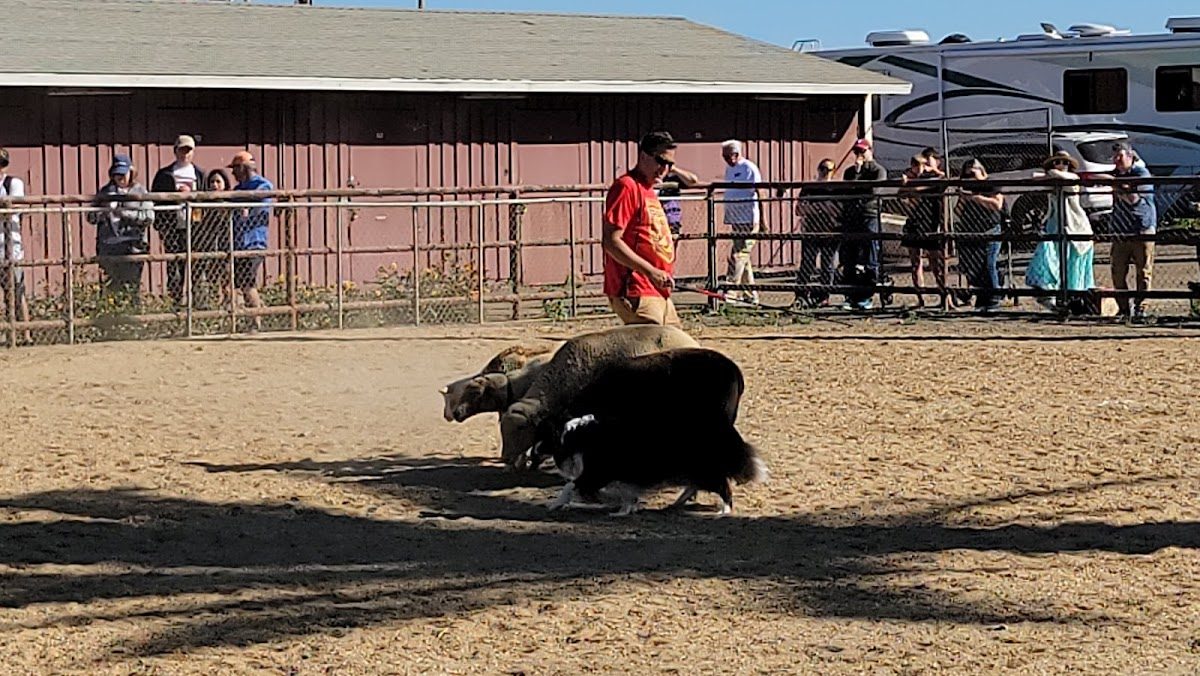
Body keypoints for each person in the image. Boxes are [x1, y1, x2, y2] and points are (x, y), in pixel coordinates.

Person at [601, 131, 679, 327]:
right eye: (660, 161)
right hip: (635, 288)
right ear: (644, 156)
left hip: (656, 290)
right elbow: (611, 241)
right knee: (657, 342)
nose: (664, 169)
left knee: (677, 341)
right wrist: (651, 271)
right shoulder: (627, 187)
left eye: (670, 165)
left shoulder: (648, 191)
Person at [1025, 151, 1095, 310]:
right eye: (1057, 162)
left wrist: (1050, 173)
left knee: (1072, 268)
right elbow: (1034, 177)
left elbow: (1066, 178)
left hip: (1075, 227)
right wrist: (1048, 176)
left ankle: (1073, 301)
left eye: (1065, 162)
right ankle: (1047, 292)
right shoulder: (1052, 181)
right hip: (1055, 226)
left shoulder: (1072, 178)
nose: (1061, 165)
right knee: (1049, 255)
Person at [87, 155, 154, 302]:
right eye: (117, 174)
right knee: (111, 287)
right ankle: (113, 314)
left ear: (131, 172)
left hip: (133, 246)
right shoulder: (105, 192)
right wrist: (104, 211)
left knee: (131, 286)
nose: (120, 178)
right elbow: (90, 217)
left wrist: (124, 213)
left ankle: (132, 313)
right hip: (109, 246)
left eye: (123, 174)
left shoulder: (140, 191)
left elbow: (148, 217)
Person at [151, 135, 206, 306]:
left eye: (188, 150)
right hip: (173, 226)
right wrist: (161, 226)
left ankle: (199, 304)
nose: (185, 154)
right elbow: (156, 199)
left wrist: (191, 195)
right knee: (174, 266)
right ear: (175, 151)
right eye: (182, 150)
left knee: (197, 265)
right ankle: (175, 303)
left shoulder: (200, 174)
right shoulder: (164, 175)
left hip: (195, 226)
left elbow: (206, 198)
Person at [1105, 141, 1157, 320]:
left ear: (1130, 156)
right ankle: (1123, 309)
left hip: (1142, 228)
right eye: (1115, 157)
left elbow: (1134, 200)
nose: (1117, 160)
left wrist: (1116, 186)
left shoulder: (1141, 173)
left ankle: (1141, 308)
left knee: (1143, 271)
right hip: (1120, 230)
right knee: (1117, 270)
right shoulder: (1115, 174)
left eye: (1120, 156)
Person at [228, 150, 273, 333]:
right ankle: (244, 321)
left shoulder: (263, 185)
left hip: (254, 242)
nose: (233, 173)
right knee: (237, 284)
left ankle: (256, 322)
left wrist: (245, 202)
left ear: (243, 168)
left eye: (235, 168)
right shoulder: (238, 189)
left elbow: (259, 198)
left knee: (248, 283)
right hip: (238, 242)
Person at [840, 138, 887, 310]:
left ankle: (867, 295)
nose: (859, 155)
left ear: (869, 151)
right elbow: (846, 191)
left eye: (862, 151)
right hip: (852, 216)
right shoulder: (849, 172)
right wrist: (857, 173)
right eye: (856, 152)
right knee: (850, 258)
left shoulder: (878, 170)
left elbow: (874, 191)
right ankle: (850, 296)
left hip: (869, 215)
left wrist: (861, 175)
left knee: (870, 256)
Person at [900, 150, 950, 308]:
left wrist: (914, 185)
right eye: (916, 165)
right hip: (915, 221)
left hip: (931, 222)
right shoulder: (911, 177)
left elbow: (943, 180)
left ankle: (944, 298)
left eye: (924, 164)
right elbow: (901, 195)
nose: (920, 168)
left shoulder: (935, 177)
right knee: (915, 263)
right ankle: (920, 299)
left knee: (936, 263)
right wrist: (907, 184)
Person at [954, 158, 1004, 312]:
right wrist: (963, 197)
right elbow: (958, 211)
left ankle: (994, 297)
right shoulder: (968, 188)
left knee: (988, 264)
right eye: (966, 175)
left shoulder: (991, 184)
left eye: (972, 174)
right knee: (974, 267)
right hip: (971, 230)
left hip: (990, 229)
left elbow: (997, 204)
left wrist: (975, 198)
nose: (970, 178)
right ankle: (982, 298)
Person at [792, 158, 841, 307]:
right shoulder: (809, 188)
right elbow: (799, 209)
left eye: (829, 170)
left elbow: (837, 210)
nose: (825, 172)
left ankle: (823, 296)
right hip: (811, 230)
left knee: (827, 265)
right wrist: (820, 209)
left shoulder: (836, 189)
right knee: (807, 263)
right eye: (823, 168)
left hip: (830, 231)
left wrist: (813, 208)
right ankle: (801, 295)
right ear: (818, 169)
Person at [720, 140, 763, 305]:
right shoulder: (729, 170)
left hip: (748, 218)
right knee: (744, 258)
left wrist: (762, 220)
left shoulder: (748, 168)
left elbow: (760, 191)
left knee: (738, 255)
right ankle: (751, 295)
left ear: (736, 154)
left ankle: (731, 290)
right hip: (736, 219)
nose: (725, 159)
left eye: (727, 156)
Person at [0, 148, 30, 338]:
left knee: (17, 291)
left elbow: (12, 207)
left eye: (2, 163)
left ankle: (26, 334)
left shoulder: (13, 183)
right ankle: (5, 335)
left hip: (11, 246)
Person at [196, 168, 234, 305]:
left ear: (225, 184)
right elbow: (196, 220)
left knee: (226, 276)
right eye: (212, 182)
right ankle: (210, 303)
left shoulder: (230, 202)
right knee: (209, 276)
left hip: (226, 244)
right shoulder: (203, 203)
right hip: (208, 244)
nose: (214, 185)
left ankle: (228, 303)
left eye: (218, 182)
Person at [657, 164, 700, 244]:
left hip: (671, 218)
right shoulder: (648, 177)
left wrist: (674, 170)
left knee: (671, 244)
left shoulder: (672, 179)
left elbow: (693, 180)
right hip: (655, 218)